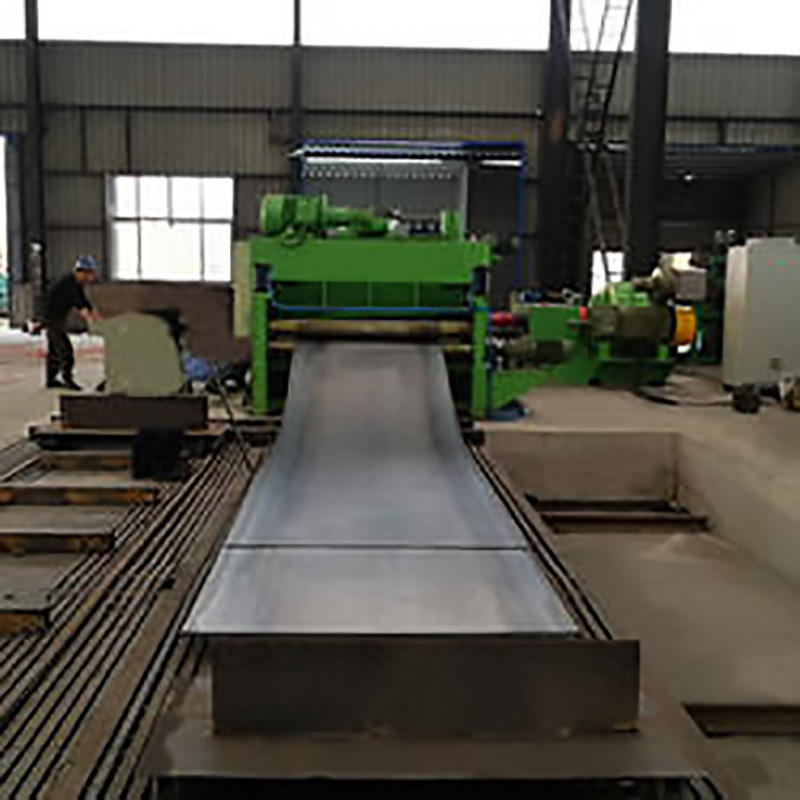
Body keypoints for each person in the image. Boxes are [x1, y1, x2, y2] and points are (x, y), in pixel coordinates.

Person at [44, 255, 102, 390]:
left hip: (58, 318)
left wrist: (94, 313)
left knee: (54, 349)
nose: (90, 278)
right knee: (65, 351)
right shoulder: (68, 284)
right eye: (89, 274)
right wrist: (90, 319)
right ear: (81, 272)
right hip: (52, 319)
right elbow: (78, 304)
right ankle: (66, 378)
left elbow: (83, 301)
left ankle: (51, 379)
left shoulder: (76, 283)